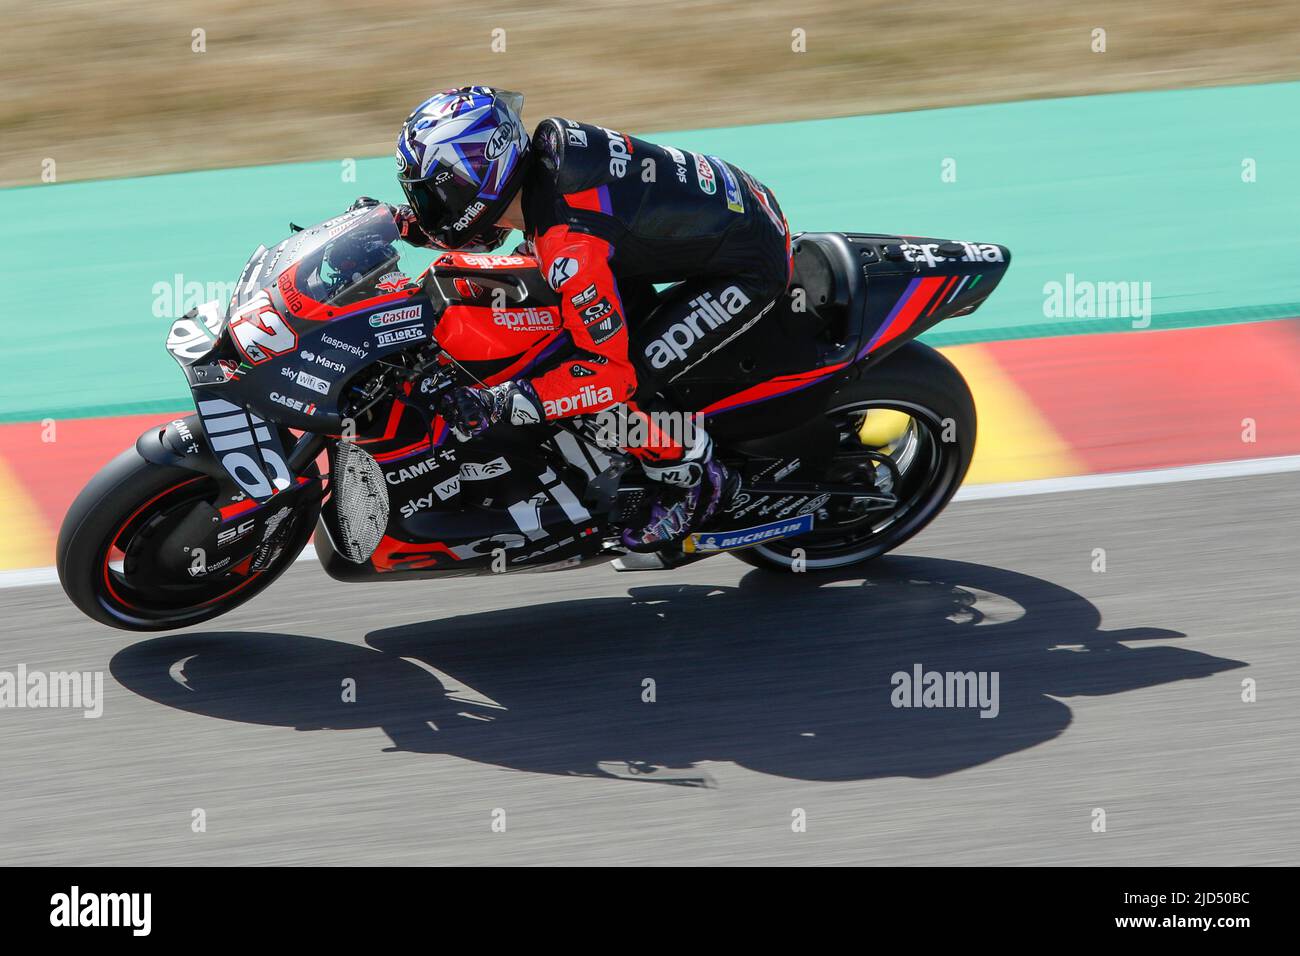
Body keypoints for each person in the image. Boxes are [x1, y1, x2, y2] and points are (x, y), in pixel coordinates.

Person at [388, 85, 791, 550]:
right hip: (725, 206)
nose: (428, 207)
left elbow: (608, 375)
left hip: (748, 267)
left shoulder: (571, 247)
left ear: (480, 173)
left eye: (435, 195)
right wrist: (407, 226)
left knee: (620, 385)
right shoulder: (543, 153)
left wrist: (503, 401)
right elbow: (487, 224)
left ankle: (693, 476)